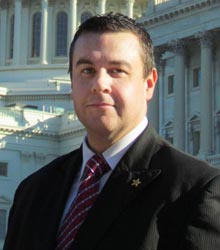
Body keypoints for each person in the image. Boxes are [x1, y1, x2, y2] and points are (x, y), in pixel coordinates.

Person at [3, 12, 220, 250]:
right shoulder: (33, 191)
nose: (99, 84)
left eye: (117, 70)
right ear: (72, 83)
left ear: (148, 84)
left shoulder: (195, 190)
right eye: (87, 70)